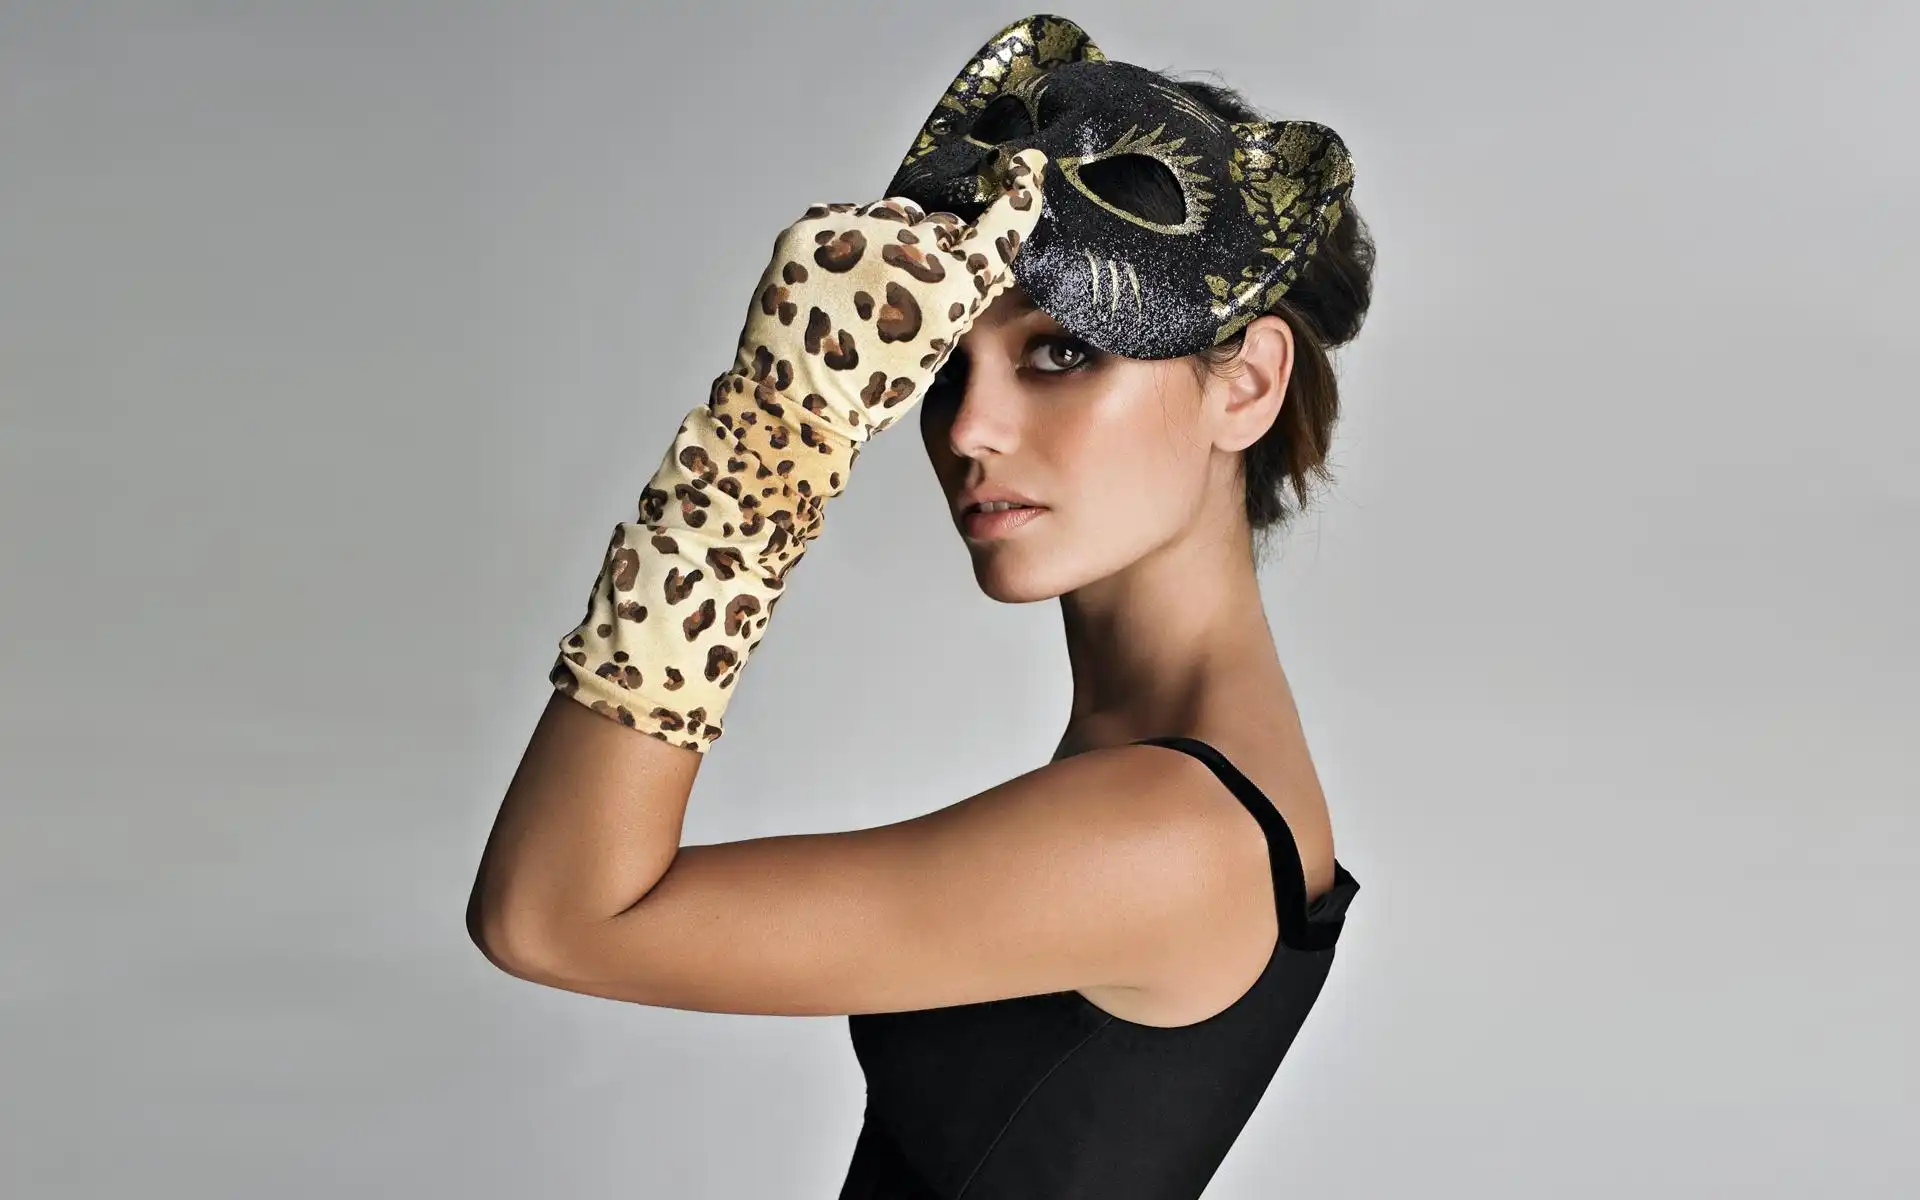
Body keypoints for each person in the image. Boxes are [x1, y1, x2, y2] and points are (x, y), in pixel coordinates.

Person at [467, 14, 1375, 1197]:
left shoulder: (1172, 833)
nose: (967, 429)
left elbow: (551, 918)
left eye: (1059, 353)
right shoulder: (1173, 768)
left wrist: (758, 462)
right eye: (944, 365)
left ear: (1244, 385)